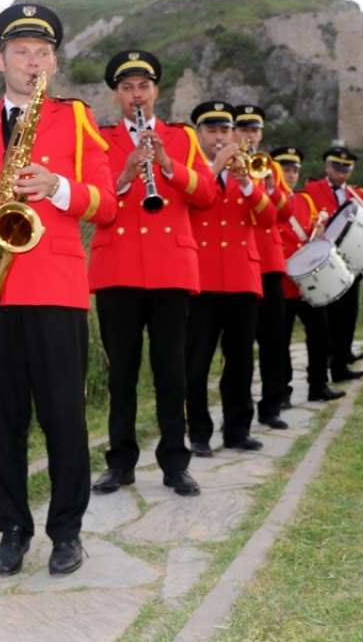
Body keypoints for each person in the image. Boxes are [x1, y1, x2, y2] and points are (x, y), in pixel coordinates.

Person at [0, 3, 116, 577]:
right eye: (21, 53)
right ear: (0, 61)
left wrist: (59, 187)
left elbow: (106, 206)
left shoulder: (76, 119)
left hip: (57, 288)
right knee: (0, 419)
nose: (32, 62)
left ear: (54, 61)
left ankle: (66, 532)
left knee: (63, 417)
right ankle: (12, 528)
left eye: (42, 53)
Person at [88, 50, 216, 498]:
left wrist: (167, 166)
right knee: (120, 374)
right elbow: (93, 203)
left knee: (171, 373)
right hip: (117, 269)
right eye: (127, 88)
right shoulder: (100, 139)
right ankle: (120, 463)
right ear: (117, 95)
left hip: (170, 270)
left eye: (143, 87)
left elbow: (208, 195)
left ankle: (174, 464)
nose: (136, 95)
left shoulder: (180, 137)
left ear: (156, 91)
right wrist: (125, 175)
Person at [185, 101, 276, 457]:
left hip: (241, 277)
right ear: (201, 135)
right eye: (212, 130)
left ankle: (238, 430)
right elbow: (191, 201)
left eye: (225, 130)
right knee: (196, 362)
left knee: (240, 361)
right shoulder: (192, 170)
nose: (219, 136)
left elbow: (268, 220)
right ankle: (199, 433)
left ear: (233, 134)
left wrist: (248, 184)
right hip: (202, 279)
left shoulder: (249, 172)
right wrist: (212, 169)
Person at [232, 105, 293, 429]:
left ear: (261, 133)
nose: (249, 134)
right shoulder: (228, 163)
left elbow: (285, 211)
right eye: (243, 129)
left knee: (273, 339)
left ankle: (272, 406)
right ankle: (238, 413)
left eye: (254, 129)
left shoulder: (270, 166)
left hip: (267, 261)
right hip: (238, 259)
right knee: (239, 344)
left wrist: (269, 186)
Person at [273, 147, 345, 404]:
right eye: (285, 170)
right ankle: (282, 389)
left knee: (319, 332)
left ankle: (318, 384)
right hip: (282, 280)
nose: (290, 175)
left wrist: (320, 230)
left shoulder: (304, 200)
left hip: (307, 283)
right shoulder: (268, 197)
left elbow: (314, 231)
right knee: (281, 338)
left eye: (294, 171)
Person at [302, 145, 363, 382]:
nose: (342, 174)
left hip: (350, 261)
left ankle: (341, 364)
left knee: (347, 315)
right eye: (337, 168)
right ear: (327, 166)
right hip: (325, 261)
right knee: (327, 317)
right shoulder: (311, 188)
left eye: (346, 169)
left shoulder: (358, 194)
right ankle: (327, 361)